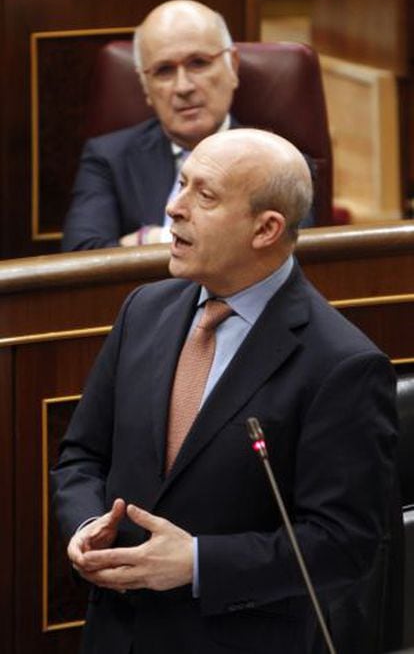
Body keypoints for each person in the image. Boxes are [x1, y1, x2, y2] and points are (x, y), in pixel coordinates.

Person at [51, 128, 399, 654]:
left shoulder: (341, 364)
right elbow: (82, 455)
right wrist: (84, 525)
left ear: (266, 229)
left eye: (204, 196)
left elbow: (345, 544)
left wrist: (196, 563)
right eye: (181, 183)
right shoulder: (144, 310)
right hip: (115, 635)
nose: (174, 208)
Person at [61, 0, 240, 251]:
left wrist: (142, 242)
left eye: (198, 63)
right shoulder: (108, 159)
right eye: (164, 70)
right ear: (145, 86)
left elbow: (283, 253)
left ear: (233, 65)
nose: (183, 87)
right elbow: (79, 258)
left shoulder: (279, 159)